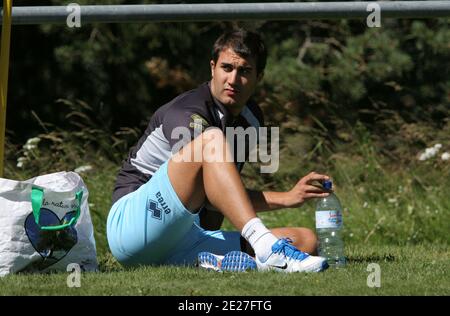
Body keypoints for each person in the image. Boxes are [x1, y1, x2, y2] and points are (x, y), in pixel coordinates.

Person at [107, 28, 331, 273]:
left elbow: (219, 197)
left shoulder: (252, 118)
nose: (233, 80)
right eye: (227, 68)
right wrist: (283, 199)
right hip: (133, 228)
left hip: (185, 239)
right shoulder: (187, 110)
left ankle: (212, 262)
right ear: (212, 67)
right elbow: (208, 189)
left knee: (305, 240)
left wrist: (291, 196)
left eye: (244, 71)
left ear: (260, 76)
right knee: (211, 139)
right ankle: (265, 247)